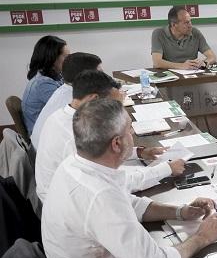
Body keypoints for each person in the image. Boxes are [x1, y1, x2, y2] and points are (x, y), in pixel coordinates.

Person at [41, 98, 217, 258]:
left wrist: (180, 211)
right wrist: (202, 237)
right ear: (117, 144)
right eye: (129, 128)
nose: (133, 134)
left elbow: (129, 203)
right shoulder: (99, 196)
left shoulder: (77, 164)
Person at [35, 70, 185, 204]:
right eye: (113, 105)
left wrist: (139, 152)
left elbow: (101, 152)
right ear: (94, 99)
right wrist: (166, 169)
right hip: (66, 205)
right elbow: (115, 182)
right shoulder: (73, 134)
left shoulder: (66, 116)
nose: (116, 113)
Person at [31, 52, 102, 150]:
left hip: (39, 151)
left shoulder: (65, 90)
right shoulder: (75, 100)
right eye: (100, 74)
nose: (103, 78)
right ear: (86, 78)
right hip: (50, 158)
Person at [21, 35, 70, 135]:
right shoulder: (43, 83)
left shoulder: (53, 76)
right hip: (43, 137)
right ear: (52, 58)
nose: (69, 61)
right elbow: (67, 109)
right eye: (66, 57)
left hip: (47, 131)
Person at [151, 6, 217, 69]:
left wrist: (204, 63)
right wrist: (182, 66)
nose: (190, 25)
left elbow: (212, 57)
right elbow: (157, 63)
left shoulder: (195, 32)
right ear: (174, 25)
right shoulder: (159, 34)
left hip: (191, 76)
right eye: (186, 23)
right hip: (169, 78)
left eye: (190, 21)